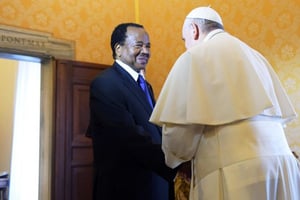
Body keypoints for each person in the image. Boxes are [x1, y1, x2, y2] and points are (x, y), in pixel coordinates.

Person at [150, 6, 300, 200]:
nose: (186, 46)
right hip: (282, 165)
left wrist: (175, 158)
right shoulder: (256, 56)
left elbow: (179, 138)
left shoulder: (194, 57)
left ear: (194, 30)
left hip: (235, 172)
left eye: (185, 40)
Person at [88, 22, 176, 200]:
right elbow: (129, 137)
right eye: (138, 45)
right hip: (126, 189)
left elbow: (154, 129)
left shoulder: (145, 86)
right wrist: (175, 167)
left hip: (155, 183)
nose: (145, 51)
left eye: (148, 46)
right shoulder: (105, 83)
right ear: (118, 49)